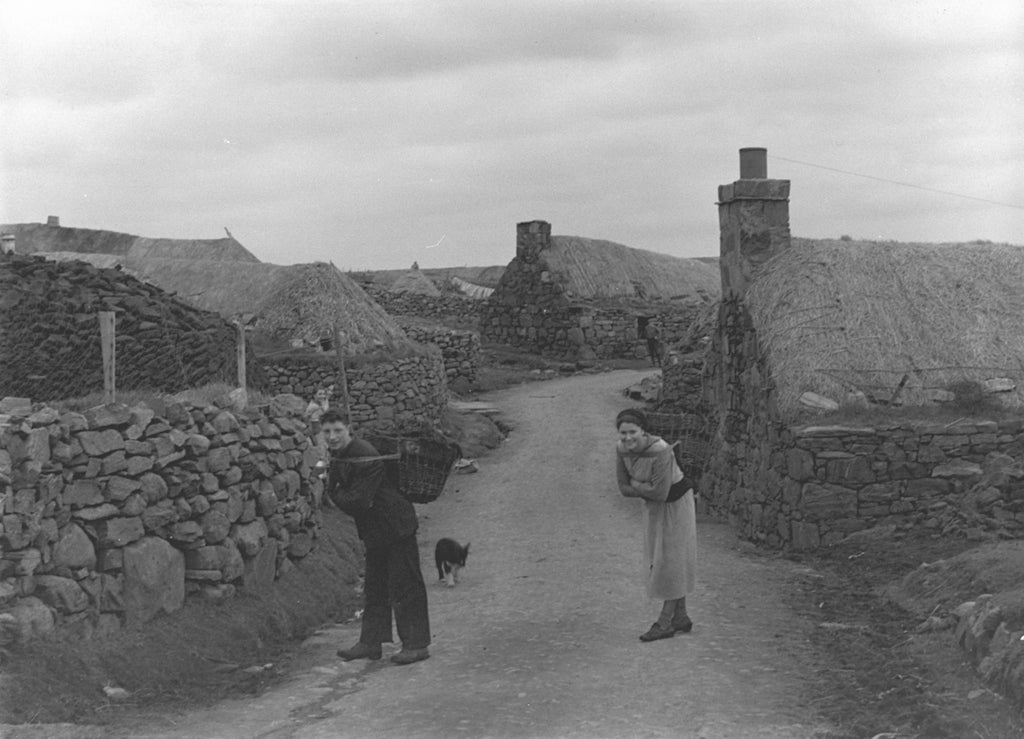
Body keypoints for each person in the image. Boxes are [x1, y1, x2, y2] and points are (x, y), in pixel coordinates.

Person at [322, 410, 431, 665]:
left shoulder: (365, 454)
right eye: (327, 432)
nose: (332, 436)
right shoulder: (341, 455)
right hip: (376, 531)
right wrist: (336, 491)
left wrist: (334, 495)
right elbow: (339, 489)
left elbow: (357, 501)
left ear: (349, 429)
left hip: (396, 526)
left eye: (337, 430)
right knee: (375, 587)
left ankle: (417, 645)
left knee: (405, 584)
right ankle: (371, 643)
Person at [615, 408, 697, 642]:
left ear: (643, 431)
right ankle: (680, 616)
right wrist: (644, 487)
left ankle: (664, 622)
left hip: (676, 505)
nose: (628, 438)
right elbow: (622, 488)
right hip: (653, 508)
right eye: (623, 433)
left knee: (670, 560)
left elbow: (660, 492)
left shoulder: (660, 451)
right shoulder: (621, 450)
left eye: (633, 432)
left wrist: (637, 485)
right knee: (660, 557)